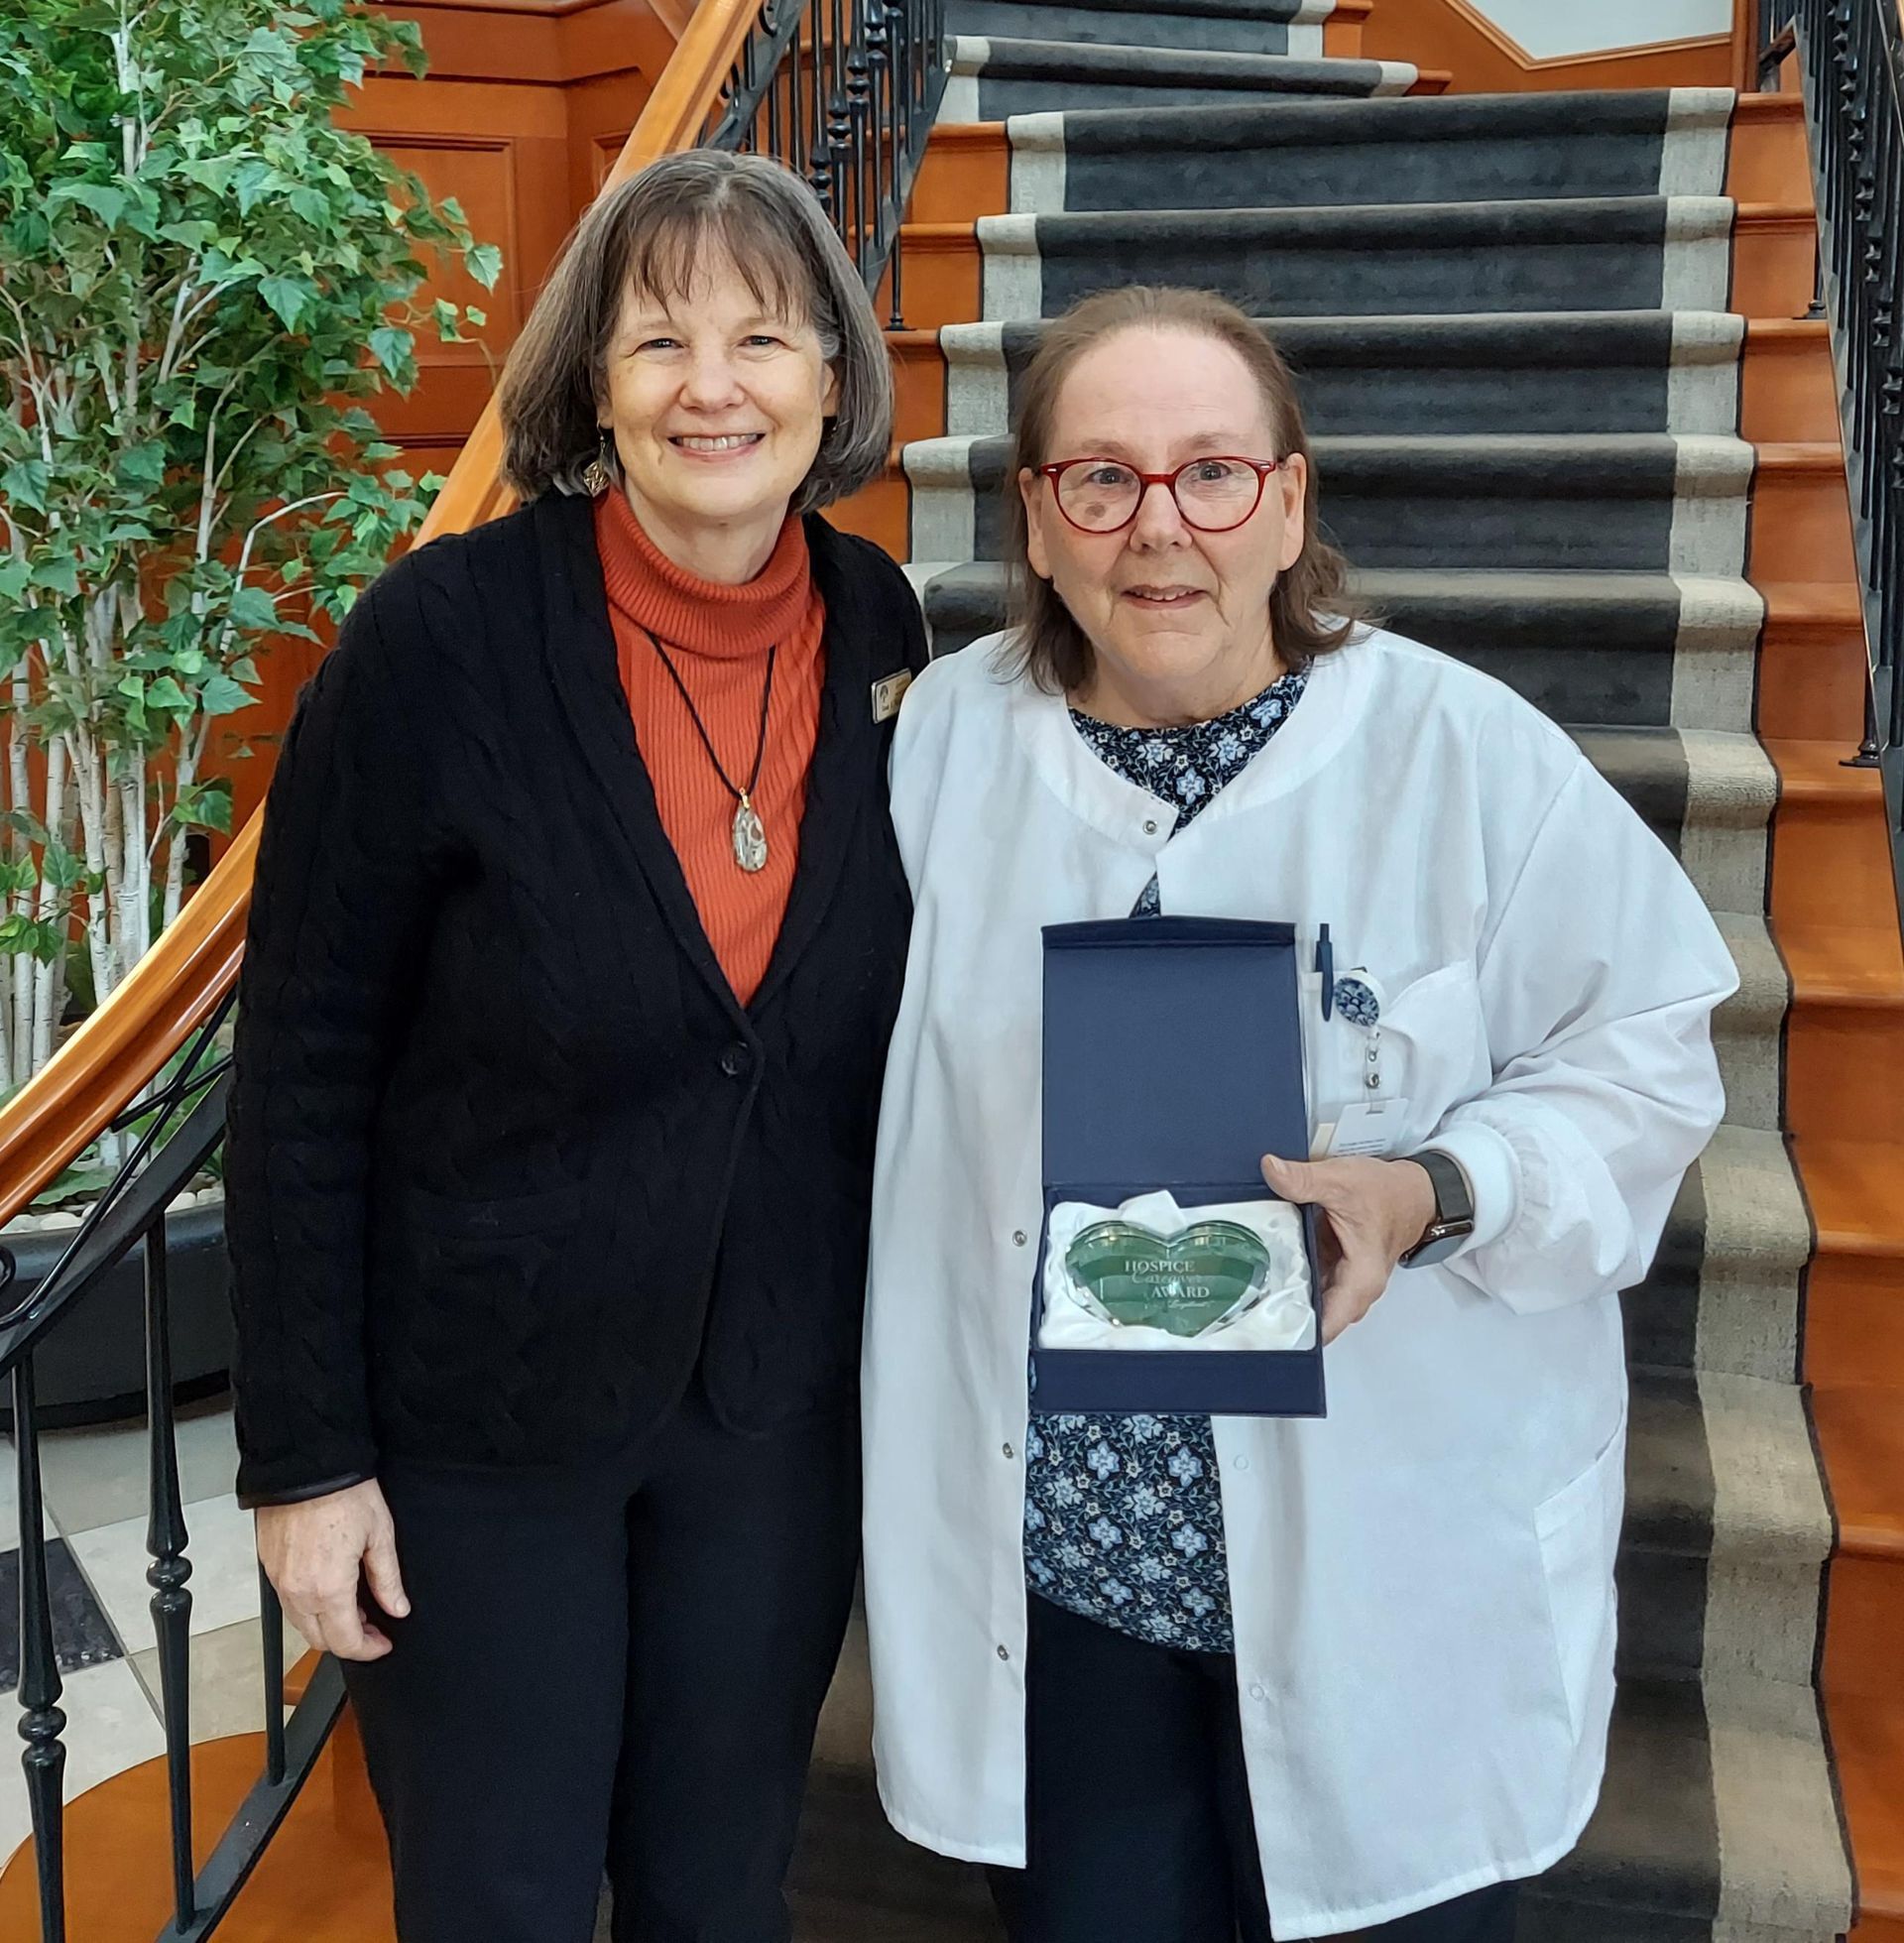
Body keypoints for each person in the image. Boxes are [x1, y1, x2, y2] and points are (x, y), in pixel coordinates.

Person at [861, 285, 1738, 1942]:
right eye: (1099, 480)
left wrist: (1440, 1185)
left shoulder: (1461, 752)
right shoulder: (940, 757)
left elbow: (1644, 1044)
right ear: (1037, 527)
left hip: (1389, 1591)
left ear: (1291, 505)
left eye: (1213, 473)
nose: (1159, 527)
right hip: (1069, 1594)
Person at [226, 150, 924, 1943]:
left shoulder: (886, 632)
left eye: (763, 339)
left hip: (768, 1415)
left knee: (719, 1895)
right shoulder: (436, 643)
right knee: (502, 1903)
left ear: (831, 381)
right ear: (589, 388)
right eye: (658, 343)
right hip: (479, 1428)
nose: (714, 387)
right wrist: (305, 1464)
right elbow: (300, 1069)